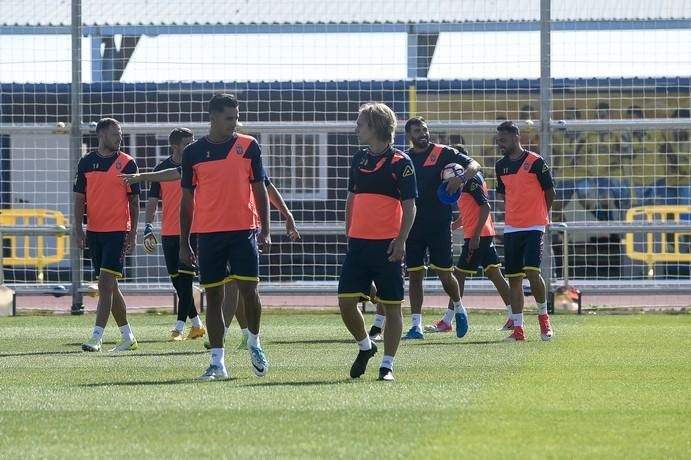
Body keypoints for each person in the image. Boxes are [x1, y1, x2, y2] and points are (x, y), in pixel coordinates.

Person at [180, 93, 271, 381]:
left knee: (249, 292)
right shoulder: (193, 153)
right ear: (214, 118)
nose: (235, 123)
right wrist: (184, 242)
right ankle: (217, 362)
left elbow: (260, 190)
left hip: (244, 231)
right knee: (214, 297)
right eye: (229, 118)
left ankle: (254, 343)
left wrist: (266, 230)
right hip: (208, 235)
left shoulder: (249, 146)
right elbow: (186, 200)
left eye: (236, 117)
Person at [338, 102, 417, 381]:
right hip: (358, 245)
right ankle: (365, 345)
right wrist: (349, 231)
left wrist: (401, 240)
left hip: (387, 246)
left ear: (375, 126)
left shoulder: (401, 163)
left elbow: (410, 207)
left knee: (392, 306)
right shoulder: (359, 159)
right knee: (346, 302)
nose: (356, 129)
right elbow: (351, 197)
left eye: (360, 124)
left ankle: (387, 365)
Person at [119, 128, 206, 341]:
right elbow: (152, 201)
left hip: (193, 230)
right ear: (175, 146)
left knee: (185, 280)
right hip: (168, 232)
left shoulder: (196, 168)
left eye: (192, 142)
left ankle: (178, 327)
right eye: (187, 143)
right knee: (178, 282)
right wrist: (148, 226)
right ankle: (196, 325)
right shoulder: (162, 169)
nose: (191, 146)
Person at [399, 117, 480, 340]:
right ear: (410, 135)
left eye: (424, 129)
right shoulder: (404, 158)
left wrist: (461, 178)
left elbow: (475, 165)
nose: (423, 134)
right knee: (415, 276)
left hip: (439, 224)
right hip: (413, 225)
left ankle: (459, 309)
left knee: (445, 274)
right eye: (417, 131)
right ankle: (416, 326)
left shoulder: (444, 152)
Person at [204, 177, 300, 350]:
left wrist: (287, 214)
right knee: (236, 288)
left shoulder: (248, 157)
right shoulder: (213, 158)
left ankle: (221, 336)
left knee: (235, 286)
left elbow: (267, 187)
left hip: (244, 232)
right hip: (219, 230)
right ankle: (246, 335)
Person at [425, 147, 512, 333]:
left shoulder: (471, 180)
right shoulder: (463, 182)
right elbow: (470, 211)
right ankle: (514, 315)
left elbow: (485, 207)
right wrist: (454, 226)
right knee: (495, 275)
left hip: (477, 235)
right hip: (481, 233)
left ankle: (448, 320)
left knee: (458, 276)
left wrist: (475, 235)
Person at [74, 118, 140, 352]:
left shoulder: (127, 163)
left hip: (118, 232)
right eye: (115, 134)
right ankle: (127, 337)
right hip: (94, 232)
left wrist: (132, 234)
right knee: (110, 287)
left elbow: (134, 202)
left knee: (104, 284)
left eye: (120, 134)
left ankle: (96, 337)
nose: (119, 138)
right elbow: (79, 198)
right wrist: (77, 228)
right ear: (101, 135)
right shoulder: (86, 162)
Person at [495, 121, 555, 341]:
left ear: (515, 137)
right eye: (498, 140)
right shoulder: (500, 166)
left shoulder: (536, 162)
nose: (500, 144)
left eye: (503, 140)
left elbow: (550, 192)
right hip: (512, 226)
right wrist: (512, 211)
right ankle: (519, 328)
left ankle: (544, 319)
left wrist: (539, 215)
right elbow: (502, 194)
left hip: (534, 225)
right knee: (514, 278)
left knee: (532, 271)